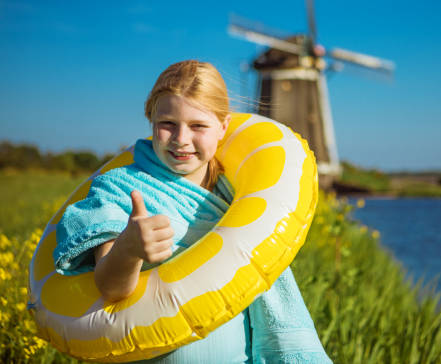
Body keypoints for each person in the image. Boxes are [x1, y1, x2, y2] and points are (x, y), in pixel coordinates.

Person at [53, 60, 331, 363]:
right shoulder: (119, 189)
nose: (181, 139)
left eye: (198, 126)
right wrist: (129, 249)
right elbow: (109, 288)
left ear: (223, 126)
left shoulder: (236, 192)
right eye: (167, 124)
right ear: (151, 120)